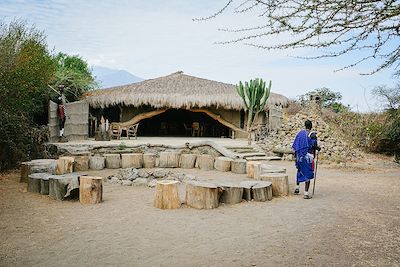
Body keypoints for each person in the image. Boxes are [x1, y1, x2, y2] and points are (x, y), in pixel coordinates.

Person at [292, 119, 320, 199]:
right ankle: (306, 193)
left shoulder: (300, 134)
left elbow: (296, 145)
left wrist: (296, 157)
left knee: (300, 170)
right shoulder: (312, 135)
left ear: (305, 126)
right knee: (308, 173)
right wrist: (319, 149)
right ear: (311, 126)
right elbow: (314, 146)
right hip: (308, 157)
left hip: (299, 156)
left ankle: (297, 188)